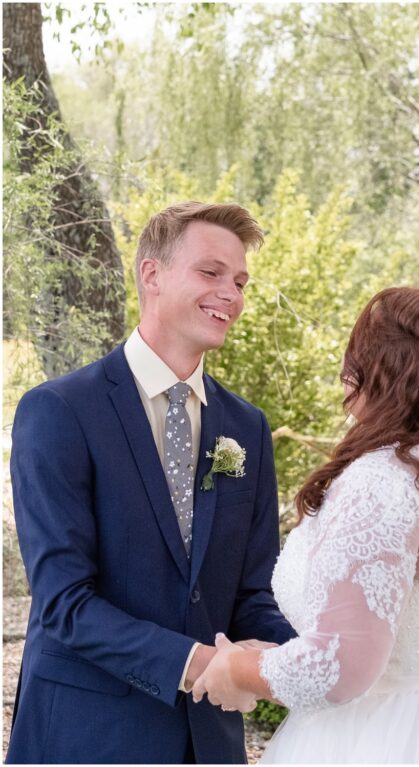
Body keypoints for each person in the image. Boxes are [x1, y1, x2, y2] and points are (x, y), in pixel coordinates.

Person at [8, 202, 296, 763]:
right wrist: (199, 665)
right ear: (152, 274)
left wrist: (291, 658)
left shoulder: (247, 429)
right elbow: (63, 602)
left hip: (208, 744)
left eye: (240, 281)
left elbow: (252, 593)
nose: (231, 295)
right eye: (211, 273)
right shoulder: (60, 410)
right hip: (86, 734)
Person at [190, 287, 419, 763]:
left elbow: (338, 668)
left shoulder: (387, 480)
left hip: (388, 739)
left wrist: (237, 669)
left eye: (358, 357)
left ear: (389, 372)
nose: (345, 374)